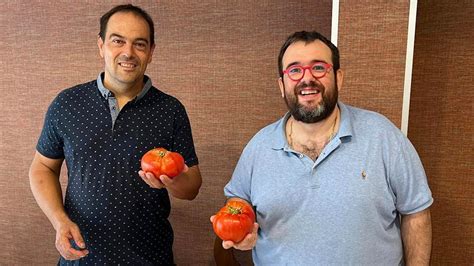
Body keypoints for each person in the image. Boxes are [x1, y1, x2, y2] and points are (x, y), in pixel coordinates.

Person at [214, 31, 433, 265]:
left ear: (338, 77)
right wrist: (243, 233)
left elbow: (416, 213)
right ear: (282, 84)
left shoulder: (383, 135)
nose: (306, 79)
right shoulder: (259, 146)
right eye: (295, 70)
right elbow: (238, 201)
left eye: (318, 68)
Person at [29, 4, 202, 265]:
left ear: (151, 52)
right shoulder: (67, 103)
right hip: (81, 258)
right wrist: (59, 221)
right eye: (117, 41)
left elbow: (192, 187)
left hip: (150, 258)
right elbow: (42, 167)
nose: (128, 53)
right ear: (101, 45)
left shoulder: (170, 110)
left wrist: (172, 180)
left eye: (140, 44)